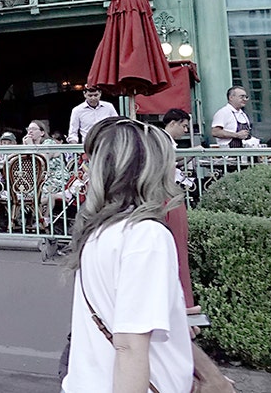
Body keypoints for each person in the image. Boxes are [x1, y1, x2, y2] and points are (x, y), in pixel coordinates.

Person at [62, 118, 193, 392]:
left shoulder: (99, 232)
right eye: (168, 160)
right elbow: (130, 346)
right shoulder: (146, 236)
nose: (174, 169)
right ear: (149, 168)